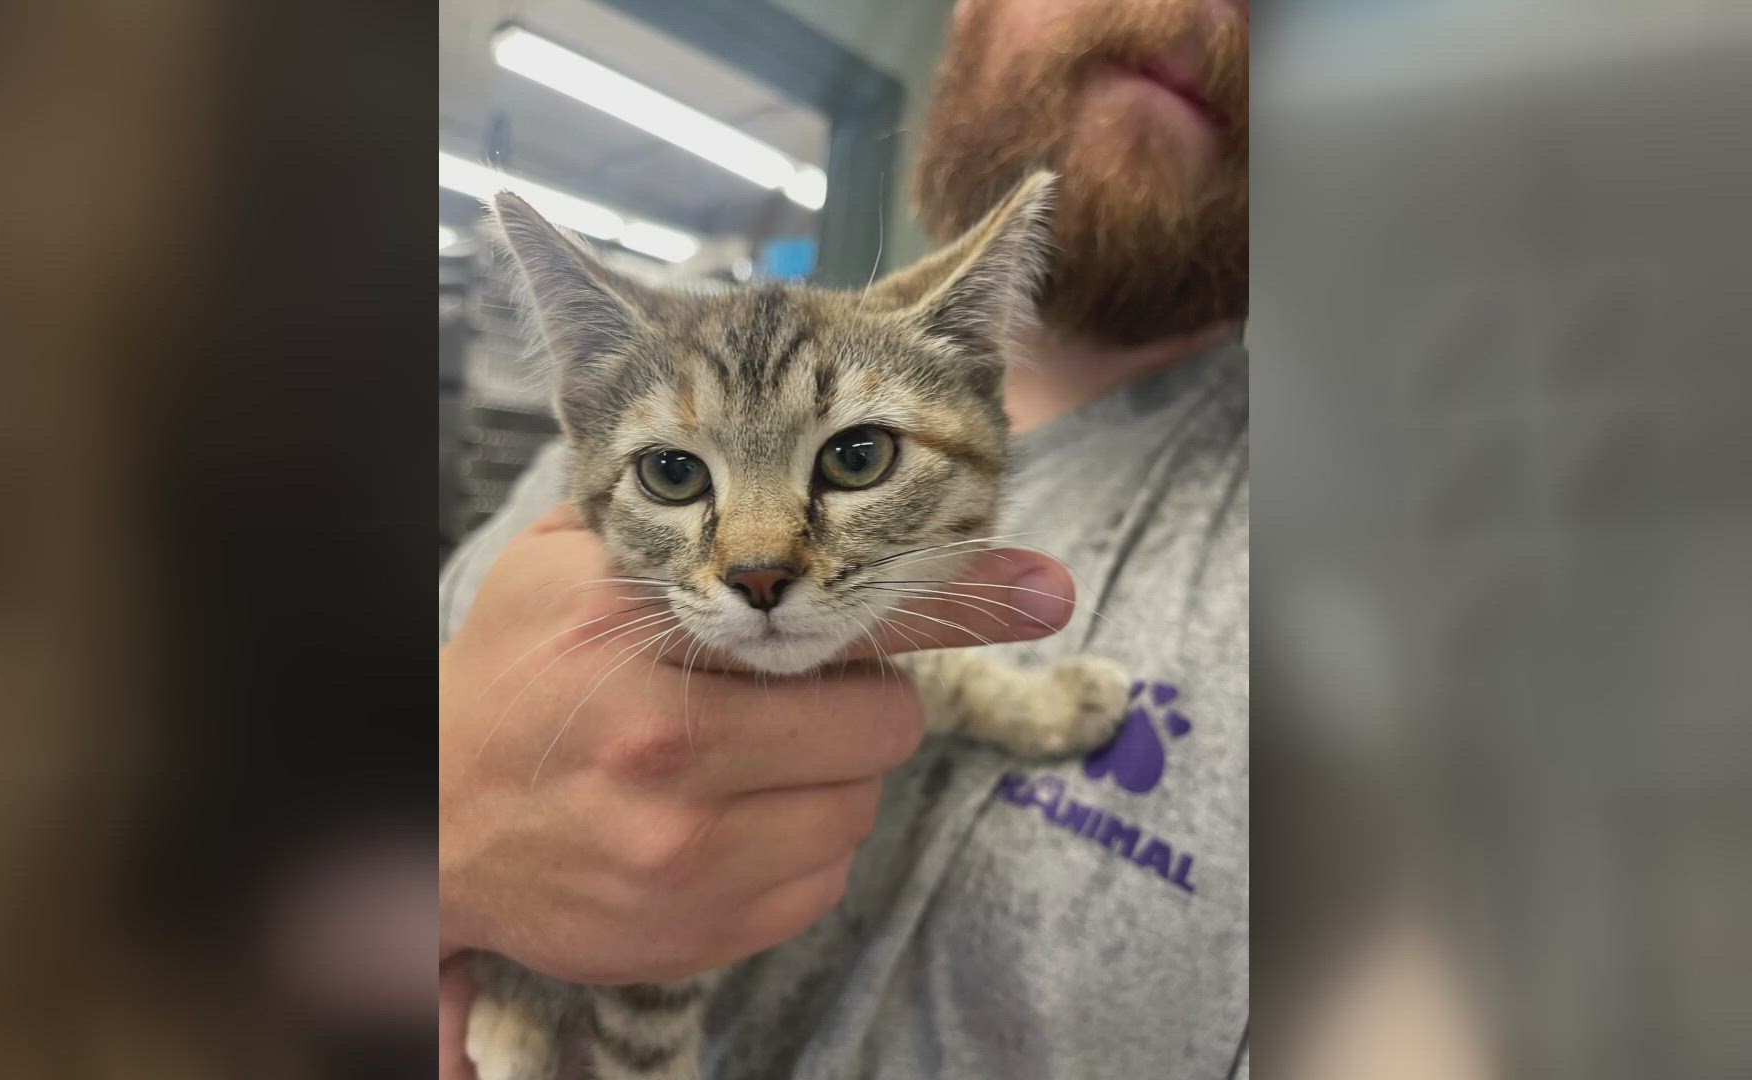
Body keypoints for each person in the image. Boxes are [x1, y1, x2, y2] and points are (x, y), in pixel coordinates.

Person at [439, 0, 1249, 1075]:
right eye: (678, 474)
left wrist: (1009, 703)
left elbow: (903, 671)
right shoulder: (604, 449)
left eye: (853, 458)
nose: (761, 563)